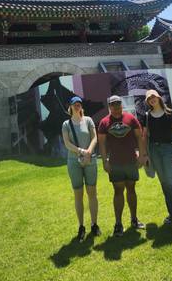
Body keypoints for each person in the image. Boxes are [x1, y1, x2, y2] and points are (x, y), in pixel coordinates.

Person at [98, 95, 147, 236]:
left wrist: (142, 156)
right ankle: (118, 224)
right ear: (109, 106)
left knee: (131, 189)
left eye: (118, 103)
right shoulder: (104, 122)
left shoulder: (131, 119)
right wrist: (104, 161)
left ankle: (134, 220)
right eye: (113, 104)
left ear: (121, 104)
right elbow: (101, 143)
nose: (116, 106)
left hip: (131, 161)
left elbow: (139, 137)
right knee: (118, 191)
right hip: (115, 163)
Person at [143, 89, 172, 235]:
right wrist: (145, 155)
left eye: (154, 97)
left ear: (159, 98)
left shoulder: (169, 113)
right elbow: (144, 136)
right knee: (164, 184)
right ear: (148, 101)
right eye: (149, 99)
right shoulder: (147, 116)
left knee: (171, 184)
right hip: (154, 151)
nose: (152, 100)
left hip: (167, 150)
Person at [62, 96, 101, 242]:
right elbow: (67, 143)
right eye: (74, 104)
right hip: (74, 161)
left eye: (79, 104)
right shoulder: (66, 124)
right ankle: (81, 226)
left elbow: (94, 138)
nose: (77, 106)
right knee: (78, 194)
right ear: (71, 107)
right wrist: (80, 151)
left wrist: (88, 152)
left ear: (81, 106)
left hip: (89, 160)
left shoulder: (88, 120)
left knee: (92, 192)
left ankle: (94, 224)